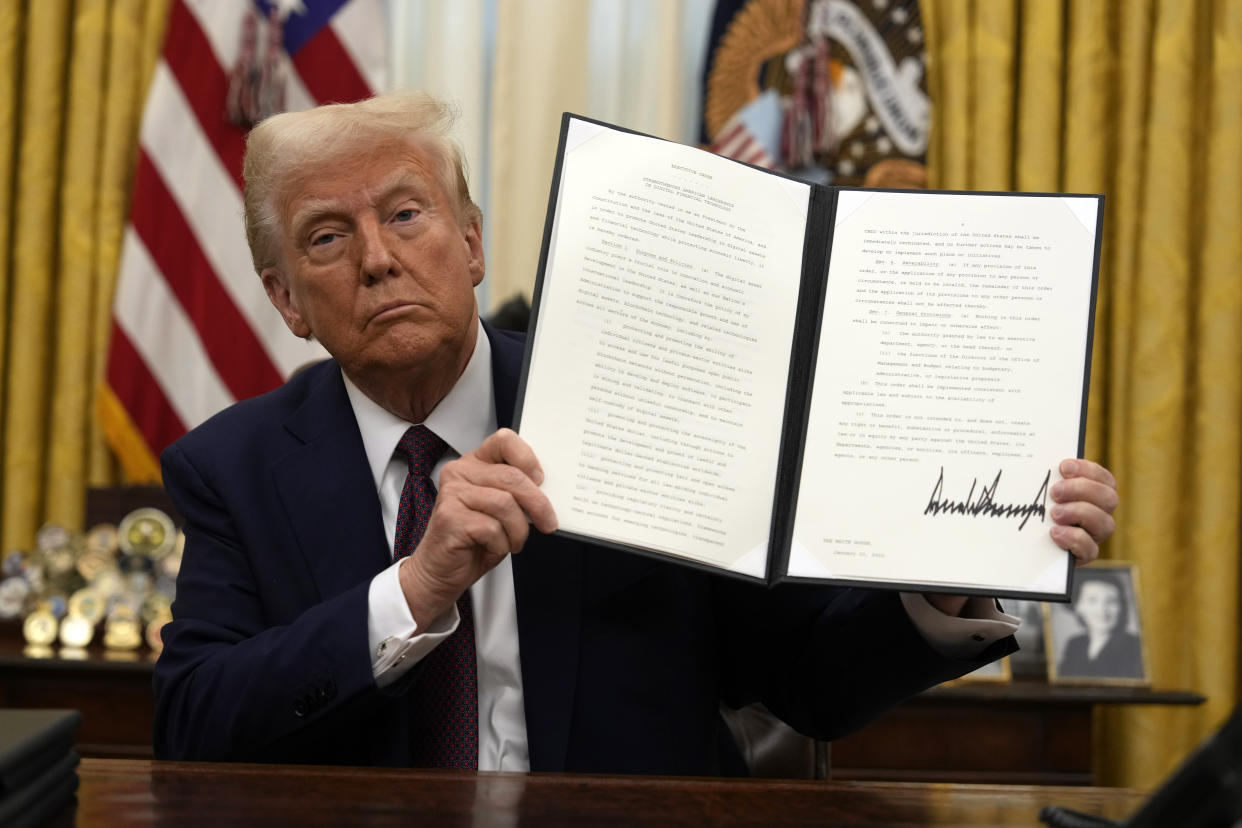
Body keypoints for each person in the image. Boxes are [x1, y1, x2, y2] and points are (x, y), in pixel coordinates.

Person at [151, 91, 1121, 773]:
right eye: (327, 236)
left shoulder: (635, 399)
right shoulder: (231, 467)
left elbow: (807, 683)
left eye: (408, 214)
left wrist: (948, 563)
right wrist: (414, 589)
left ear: (474, 242)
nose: (377, 259)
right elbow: (193, 723)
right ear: (285, 300)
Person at [1058, 571, 1144, 680]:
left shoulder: (1135, 646)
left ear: (1121, 607)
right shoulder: (1075, 644)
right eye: (1092, 600)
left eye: (1111, 601)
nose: (1102, 610)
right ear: (1078, 606)